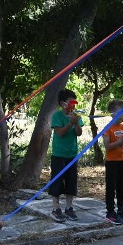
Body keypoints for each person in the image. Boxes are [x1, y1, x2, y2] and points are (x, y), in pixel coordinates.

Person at [49, 88, 84, 223]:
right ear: (63, 103)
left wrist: (76, 122)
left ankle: (69, 207)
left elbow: (79, 133)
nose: (73, 105)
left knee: (71, 181)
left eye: (75, 103)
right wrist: (71, 122)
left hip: (72, 154)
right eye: (71, 102)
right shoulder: (56, 116)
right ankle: (55, 208)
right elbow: (60, 133)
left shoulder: (76, 116)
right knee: (57, 181)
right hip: (59, 154)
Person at [102, 99, 123, 225]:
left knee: (121, 187)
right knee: (111, 188)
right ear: (112, 113)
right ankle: (110, 212)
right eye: (121, 112)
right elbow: (108, 146)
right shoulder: (107, 129)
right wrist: (120, 142)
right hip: (112, 163)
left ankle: (121, 210)